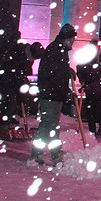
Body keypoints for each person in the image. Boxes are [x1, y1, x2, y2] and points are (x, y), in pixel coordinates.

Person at [32, 24, 76, 165]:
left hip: (52, 94)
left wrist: (67, 70)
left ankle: (39, 152)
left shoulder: (59, 49)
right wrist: (66, 91)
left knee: (48, 125)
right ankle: (54, 154)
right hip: (50, 95)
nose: (73, 41)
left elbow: (58, 71)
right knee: (50, 125)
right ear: (66, 38)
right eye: (72, 38)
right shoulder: (56, 50)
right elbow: (54, 76)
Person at [77, 53, 101, 139]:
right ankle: (94, 128)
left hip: (98, 89)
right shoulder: (90, 59)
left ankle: (99, 127)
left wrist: (87, 85)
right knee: (92, 110)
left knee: (97, 109)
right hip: (93, 89)